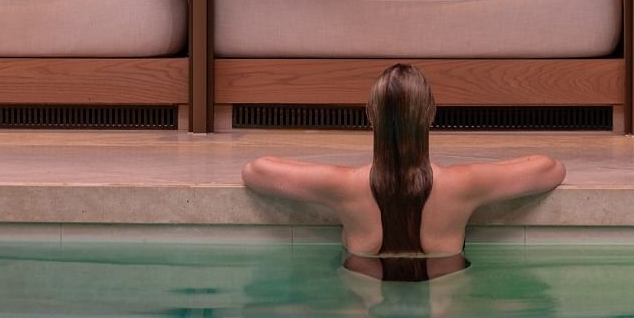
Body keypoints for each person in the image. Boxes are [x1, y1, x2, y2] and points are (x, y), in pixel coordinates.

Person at [242, 63, 566, 281]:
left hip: (363, 301)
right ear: (431, 115)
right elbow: (550, 168)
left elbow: (256, 170)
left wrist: (328, 171)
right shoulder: (462, 185)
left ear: (371, 116)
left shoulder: (344, 186)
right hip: (444, 303)